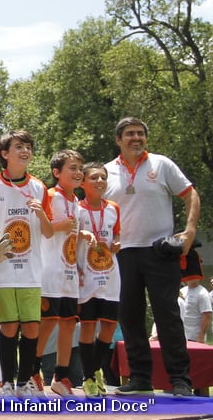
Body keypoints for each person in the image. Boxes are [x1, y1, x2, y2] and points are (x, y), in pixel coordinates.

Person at [104, 117, 200, 398]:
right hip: (122, 253)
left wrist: (189, 230)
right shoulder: (106, 172)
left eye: (141, 133)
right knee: (130, 318)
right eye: (130, 134)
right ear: (118, 140)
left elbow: (190, 194)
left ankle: (181, 379)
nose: (137, 138)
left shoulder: (162, 164)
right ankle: (140, 378)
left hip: (160, 251)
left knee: (167, 315)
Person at [0, 130, 54, 398]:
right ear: (4, 154)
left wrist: (43, 214)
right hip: (2, 271)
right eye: (19, 147)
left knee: (32, 327)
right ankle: (7, 384)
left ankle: (25, 383)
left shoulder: (39, 187)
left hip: (31, 272)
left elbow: (49, 232)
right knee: (9, 327)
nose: (26, 151)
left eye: (29, 147)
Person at [34, 149, 85, 397]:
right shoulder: (50, 196)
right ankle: (31, 371)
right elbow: (41, 229)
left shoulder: (77, 201)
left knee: (68, 324)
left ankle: (60, 375)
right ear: (57, 172)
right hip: (50, 271)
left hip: (69, 273)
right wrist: (59, 225)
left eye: (80, 168)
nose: (78, 173)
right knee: (47, 322)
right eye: (72, 168)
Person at [76, 162, 121, 398]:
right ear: (82, 182)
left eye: (103, 177)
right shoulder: (77, 209)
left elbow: (117, 235)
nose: (100, 181)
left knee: (110, 327)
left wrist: (117, 243)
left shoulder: (113, 207)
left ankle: (96, 371)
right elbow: (69, 243)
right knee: (88, 327)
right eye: (94, 177)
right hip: (87, 277)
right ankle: (88, 377)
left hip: (110, 275)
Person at [180, 278, 212, 343]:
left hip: (194, 336)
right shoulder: (182, 291)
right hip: (181, 334)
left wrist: (201, 336)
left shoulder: (202, 293)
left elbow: (207, 316)